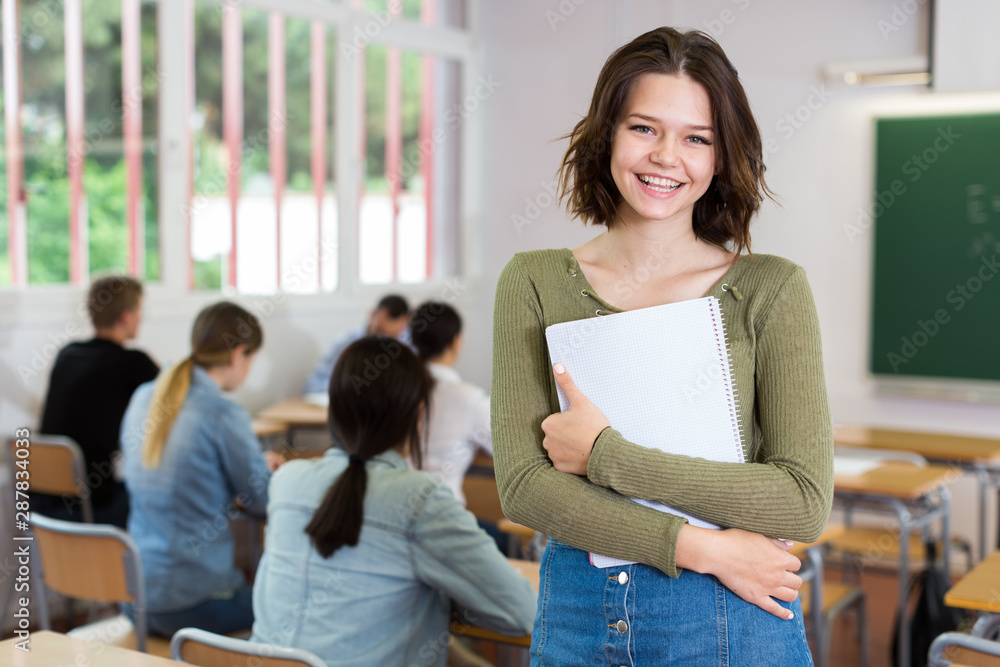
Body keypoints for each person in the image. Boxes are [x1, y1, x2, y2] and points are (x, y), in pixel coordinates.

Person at [491, 27, 833, 665]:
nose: (665, 157)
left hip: (730, 622)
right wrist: (704, 547)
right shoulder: (533, 281)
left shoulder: (770, 289)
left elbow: (801, 500)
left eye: (696, 138)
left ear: (722, 157)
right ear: (607, 135)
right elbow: (524, 488)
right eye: (643, 128)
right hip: (580, 620)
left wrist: (604, 455)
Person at [252, 337, 536, 666]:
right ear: (418, 413)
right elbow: (521, 614)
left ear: (333, 410)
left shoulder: (287, 481)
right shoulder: (420, 500)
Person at [119, 301, 283, 637]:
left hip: (136, 598)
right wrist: (266, 473)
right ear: (239, 354)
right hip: (192, 606)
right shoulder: (222, 412)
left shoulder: (142, 396)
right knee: (286, 608)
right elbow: (261, 500)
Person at [37, 274, 159, 528]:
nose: (141, 318)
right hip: (92, 505)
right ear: (126, 316)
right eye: (139, 310)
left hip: (41, 504)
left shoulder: (67, 354)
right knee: (160, 499)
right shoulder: (133, 363)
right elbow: (179, 398)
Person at [409, 301, 492, 506]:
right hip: (444, 514)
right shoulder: (468, 398)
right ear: (456, 342)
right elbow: (505, 447)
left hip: (396, 509)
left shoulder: (396, 388)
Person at [302, 294, 411, 395]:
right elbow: (313, 386)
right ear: (372, 315)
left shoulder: (405, 348)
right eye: (380, 332)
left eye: (391, 338)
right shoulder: (345, 343)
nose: (381, 343)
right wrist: (346, 389)